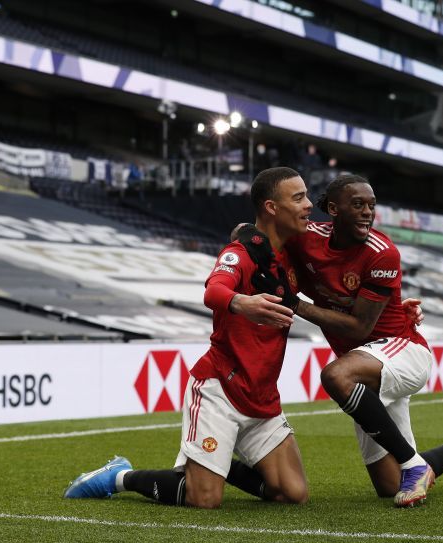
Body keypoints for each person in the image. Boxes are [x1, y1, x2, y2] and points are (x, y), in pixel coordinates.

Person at [63, 167, 313, 508]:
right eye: (298, 198)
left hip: (262, 398)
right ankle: (118, 476)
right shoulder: (238, 254)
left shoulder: (295, 253)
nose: (308, 204)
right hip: (220, 390)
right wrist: (243, 303)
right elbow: (213, 291)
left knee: (292, 493)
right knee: (204, 499)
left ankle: (214, 462)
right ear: (271, 207)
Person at [284, 175, 443, 508]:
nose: (368, 212)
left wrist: (295, 304)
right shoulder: (305, 239)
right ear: (333, 209)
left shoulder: (382, 253)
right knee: (389, 485)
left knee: (336, 376)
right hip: (364, 364)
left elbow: (358, 326)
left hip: (402, 350)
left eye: (371, 205)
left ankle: (413, 465)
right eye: (358, 205)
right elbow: (252, 233)